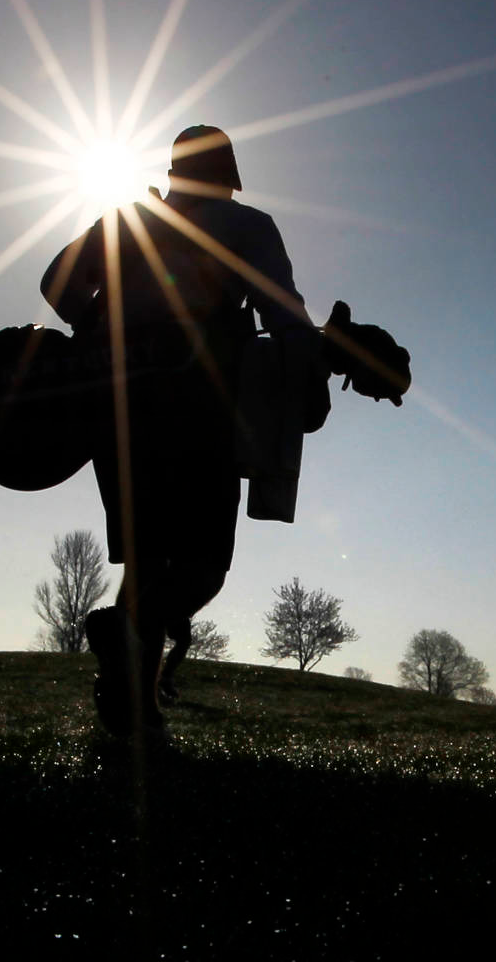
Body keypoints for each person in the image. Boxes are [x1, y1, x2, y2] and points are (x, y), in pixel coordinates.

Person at [39, 125, 311, 741]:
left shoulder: (134, 219)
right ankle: (123, 639)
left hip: (119, 406)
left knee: (147, 557)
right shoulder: (247, 227)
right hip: (201, 405)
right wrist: (311, 372)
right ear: (229, 174)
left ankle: (137, 713)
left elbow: (55, 282)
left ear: (174, 171)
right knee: (203, 565)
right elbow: (285, 318)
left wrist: (108, 335)